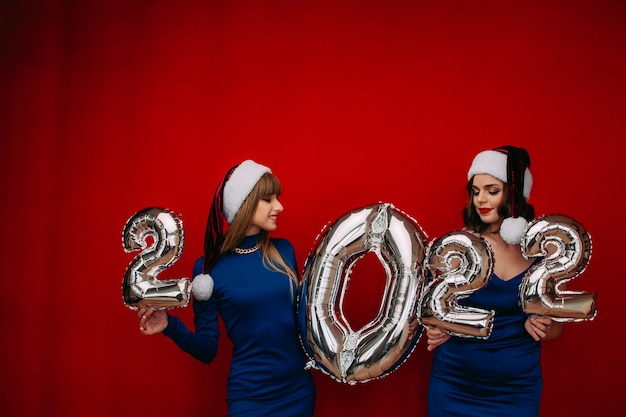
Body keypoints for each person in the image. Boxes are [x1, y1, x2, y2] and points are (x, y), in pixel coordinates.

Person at [137, 159, 316, 417]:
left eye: (277, 198)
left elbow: (304, 322)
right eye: (268, 199)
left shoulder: (284, 251)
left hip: (297, 391)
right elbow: (208, 349)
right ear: (244, 204)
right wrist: (170, 326)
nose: (279, 206)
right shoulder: (208, 270)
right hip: (250, 398)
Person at [425, 146, 563, 417]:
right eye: (476, 191)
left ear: (514, 195)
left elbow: (557, 329)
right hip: (454, 386)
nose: (481, 200)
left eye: (492, 190)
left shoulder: (541, 252)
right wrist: (436, 328)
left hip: (517, 390)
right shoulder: (460, 247)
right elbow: (433, 309)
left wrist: (544, 326)